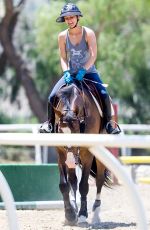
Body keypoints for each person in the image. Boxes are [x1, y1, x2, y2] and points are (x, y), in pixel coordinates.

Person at [40, 2, 121, 134]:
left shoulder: (88, 33)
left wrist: (83, 70)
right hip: (71, 75)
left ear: (78, 17)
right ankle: (49, 124)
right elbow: (63, 57)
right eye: (66, 18)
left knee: (104, 94)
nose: (69, 20)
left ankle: (109, 124)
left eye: (71, 17)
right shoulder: (62, 36)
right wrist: (66, 71)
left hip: (89, 73)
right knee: (52, 96)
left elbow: (94, 55)